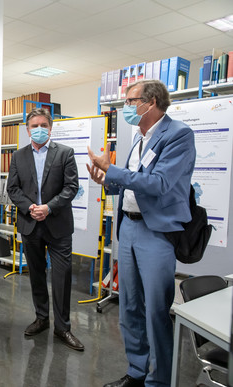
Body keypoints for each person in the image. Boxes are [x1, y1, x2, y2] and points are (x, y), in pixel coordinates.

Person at [87, 79, 196, 387]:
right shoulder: (138, 138)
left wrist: (113, 170)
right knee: (129, 306)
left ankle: (159, 380)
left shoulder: (178, 135)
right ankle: (136, 373)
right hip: (129, 227)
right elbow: (130, 182)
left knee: (156, 311)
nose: (126, 107)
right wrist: (105, 181)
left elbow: (159, 183)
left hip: (156, 233)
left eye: (131, 101)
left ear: (151, 102)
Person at [6, 108, 84, 352]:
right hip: (30, 224)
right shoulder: (18, 156)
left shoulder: (65, 153)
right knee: (37, 275)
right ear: (27, 129)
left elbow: (71, 187)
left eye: (43, 125)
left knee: (61, 278)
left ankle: (63, 327)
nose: (38, 129)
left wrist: (48, 208)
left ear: (50, 128)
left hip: (58, 224)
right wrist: (30, 208)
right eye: (34, 126)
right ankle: (41, 318)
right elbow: (13, 188)